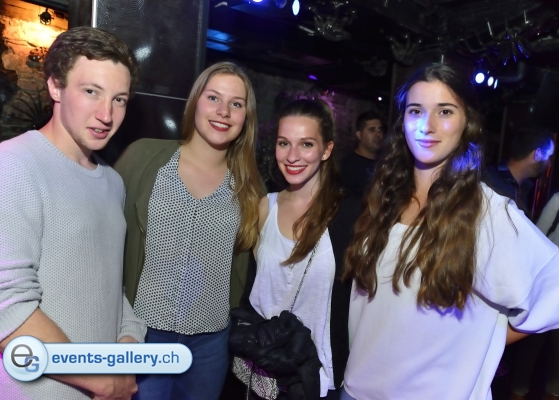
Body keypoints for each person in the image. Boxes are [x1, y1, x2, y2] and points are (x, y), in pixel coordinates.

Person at [340, 63, 559, 400]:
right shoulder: (384, 198)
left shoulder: (484, 212)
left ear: (467, 122)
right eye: (415, 111)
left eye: (445, 111)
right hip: (357, 388)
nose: (427, 125)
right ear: (402, 121)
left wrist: (485, 339)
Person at [0, 26, 146, 400]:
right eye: (91, 91)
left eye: (119, 99)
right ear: (55, 86)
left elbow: (109, 286)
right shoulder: (9, 166)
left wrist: (128, 343)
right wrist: (101, 379)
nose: (106, 114)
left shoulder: (112, 181)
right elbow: (3, 305)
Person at [114, 61, 263, 400]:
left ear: (246, 117)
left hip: (210, 344)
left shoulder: (250, 189)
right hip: (142, 333)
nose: (223, 111)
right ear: (195, 101)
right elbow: (102, 237)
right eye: (213, 98)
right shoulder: (143, 157)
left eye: (236, 103)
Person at [243, 99, 361, 399]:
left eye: (306, 144)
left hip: (318, 378)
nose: (292, 156)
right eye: (284, 143)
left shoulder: (349, 214)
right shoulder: (264, 208)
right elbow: (252, 289)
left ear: (326, 150)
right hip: (264, 371)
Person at [510, 155, 559, 400]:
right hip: (548, 284)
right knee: (531, 341)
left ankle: (552, 394)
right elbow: (537, 239)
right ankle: (517, 392)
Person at [483, 127, 554, 217]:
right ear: (537, 154)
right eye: (548, 156)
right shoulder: (489, 180)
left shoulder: (524, 187)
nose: (549, 163)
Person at [339, 111, 384, 197]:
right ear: (359, 135)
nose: (378, 134)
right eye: (372, 130)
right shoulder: (346, 167)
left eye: (380, 129)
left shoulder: (385, 165)